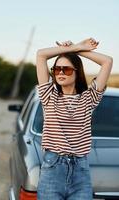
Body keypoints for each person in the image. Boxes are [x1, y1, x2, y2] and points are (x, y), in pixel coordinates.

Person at [36, 38, 113, 200]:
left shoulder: (89, 98)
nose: (61, 73)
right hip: (53, 168)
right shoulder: (49, 95)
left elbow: (107, 61)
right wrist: (74, 47)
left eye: (67, 70)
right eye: (57, 70)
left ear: (77, 71)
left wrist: (76, 51)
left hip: (80, 169)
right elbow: (41, 55)